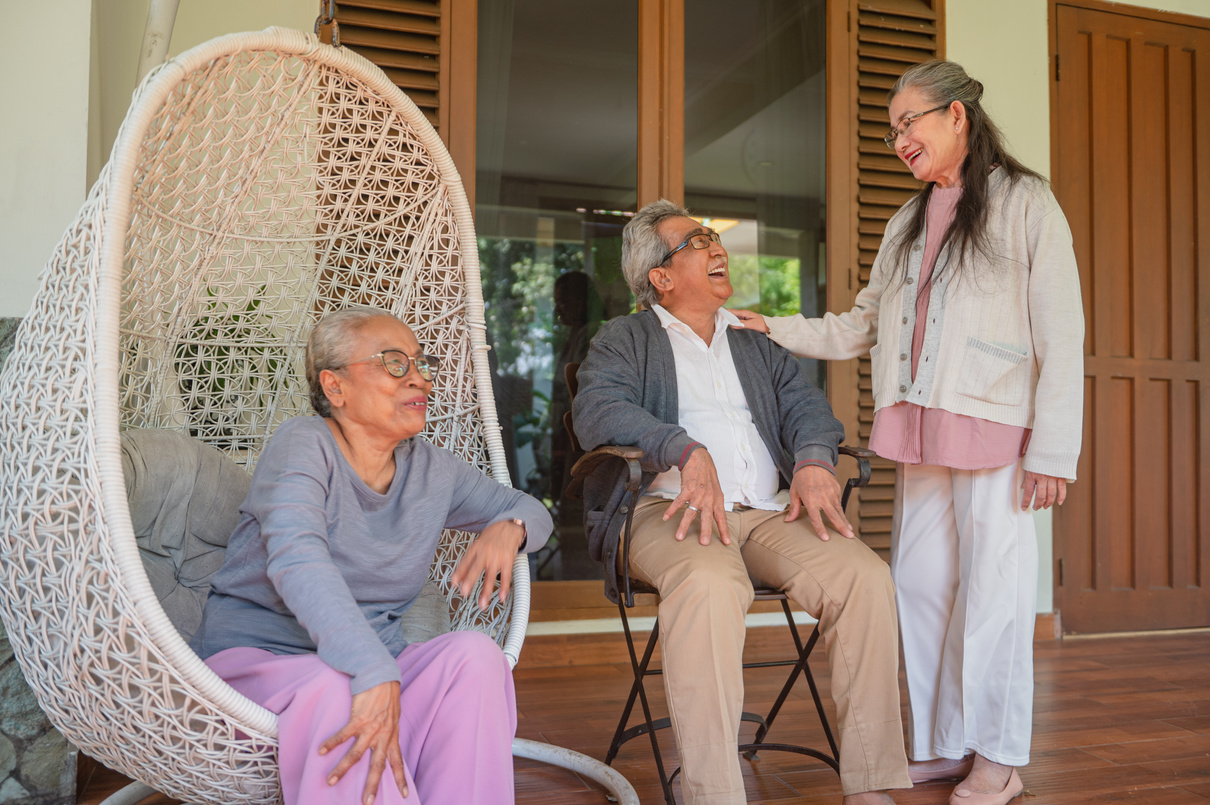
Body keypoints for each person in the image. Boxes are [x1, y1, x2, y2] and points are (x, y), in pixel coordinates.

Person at [733, 60, 1083, 805]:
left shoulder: (1027, 203)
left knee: (995, 592)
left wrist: (1053, 449)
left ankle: (1000, 754)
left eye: (909, 123)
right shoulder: (905, 221)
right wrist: (777, 326)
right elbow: (862, 324)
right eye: (892, 129)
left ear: (957, 116)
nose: (899, 140)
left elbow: (1063, 332)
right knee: (919, 586)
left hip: (996, 425)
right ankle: (942, 741)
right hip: (919, 428)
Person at [573, 200, 911, 805]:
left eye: (713, 237)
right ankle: (714, 793)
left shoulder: (753, 340)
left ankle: (871, 784)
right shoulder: (624, 338)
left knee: (863, 576)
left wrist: (811, 461)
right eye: (697, 241)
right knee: (708, 584)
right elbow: (599, 411)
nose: (715, 246)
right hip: (665, 510)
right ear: (661, 277)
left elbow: (808, 409)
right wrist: (683, 449)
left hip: (766, 512)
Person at [191, 306, 552, 805]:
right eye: (394, 363)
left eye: (421, 363)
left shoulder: (432, 470)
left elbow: (530, 509)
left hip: (374, 666)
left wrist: (508, 528)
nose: (419, 378)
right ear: (334, 388)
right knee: (335, 690)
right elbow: (298, 560)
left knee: (475, 657)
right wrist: (371, 668)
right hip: (264, 663)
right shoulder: (303, 445)